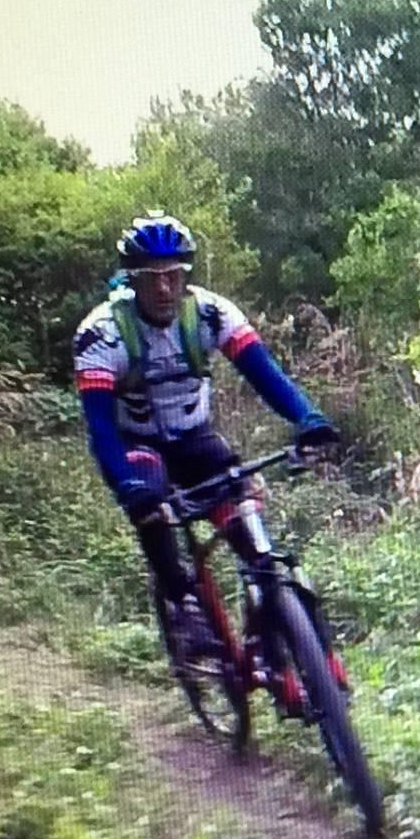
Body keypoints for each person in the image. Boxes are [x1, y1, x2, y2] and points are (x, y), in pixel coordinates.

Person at [72, 211, 338, 662]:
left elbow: (266, 376)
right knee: (151, 505)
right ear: (131, 280)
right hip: (137, 446)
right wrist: (126, 487)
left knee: (255, 542)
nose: (163, 289)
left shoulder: (212, 314)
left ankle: (301, 652)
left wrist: (307, 419)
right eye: (151, 278)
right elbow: (99, 427)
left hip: (196, 440)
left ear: (185, 276)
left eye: (173, 276)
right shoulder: (101, 335)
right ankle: (182, 602)